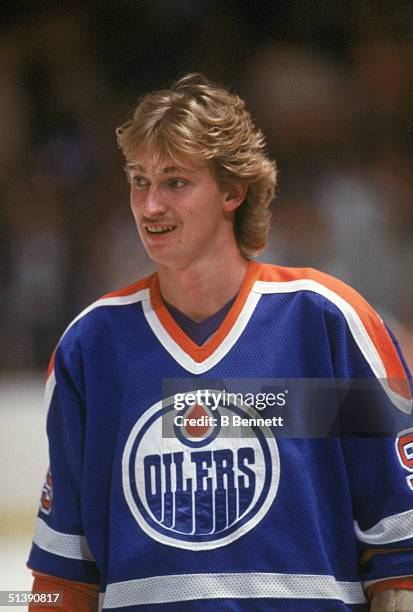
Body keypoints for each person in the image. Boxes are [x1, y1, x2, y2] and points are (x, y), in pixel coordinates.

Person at [28, 74, 413, 611]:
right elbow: (64, 578)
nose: (150, 205)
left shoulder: (324, 324)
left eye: (176, 182)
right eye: (139, 181)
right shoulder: (91, 348)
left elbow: (402, 555)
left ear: (233, 190)